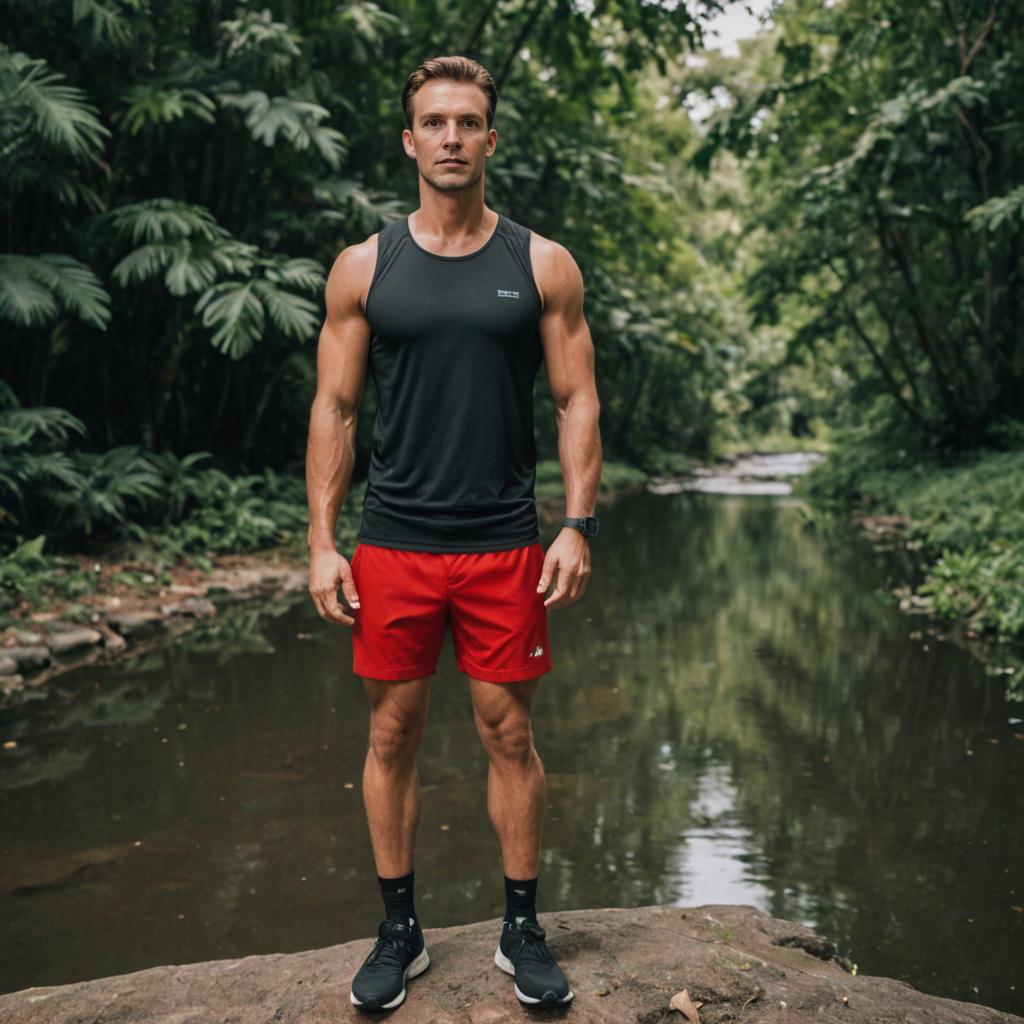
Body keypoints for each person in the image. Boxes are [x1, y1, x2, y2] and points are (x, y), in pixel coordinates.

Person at [305, 54, 602, 1012]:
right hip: (393, 540)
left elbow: (575, 397)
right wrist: (321, 538)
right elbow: (336, 408)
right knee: (392, 731)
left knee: (508, 729)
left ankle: (522, 927)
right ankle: (400, 931)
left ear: (489, 139)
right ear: (409, 140)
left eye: (467, 122)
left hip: (506, 541)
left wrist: (577, 522)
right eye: (434, 123)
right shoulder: (365, 266)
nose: (450, 138)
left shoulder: (541, 263)